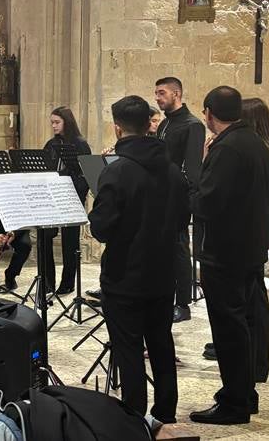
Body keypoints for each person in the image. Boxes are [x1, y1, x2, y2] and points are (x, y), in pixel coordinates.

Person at [88, 96, 186, 423]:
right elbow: (182, 218)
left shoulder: (117, 172)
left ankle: (133, 417)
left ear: (117, 128)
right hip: (162, 272)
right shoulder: (172, 170)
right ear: (149, 125)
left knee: (128, 349)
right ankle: (166, 412)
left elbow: (102, 228)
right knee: (161, 343)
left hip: (125, 276)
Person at [188, 86, 269, 425]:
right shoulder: (256, 143)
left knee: (229, 329)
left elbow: (207, 203)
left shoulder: (227, 149)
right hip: (248, 249)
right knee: (242, 325)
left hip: (225, 253)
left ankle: (235, 403)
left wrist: (194, 183)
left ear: (210, 113)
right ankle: (244, 394)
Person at [154, 76, 206, 323]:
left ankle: (183, 303)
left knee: (178, 249)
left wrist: (179, 193)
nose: (157, 97)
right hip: (160, 195)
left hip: (178, 197)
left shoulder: (192, 124)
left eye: (162, 93)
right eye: (156, 93)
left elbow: (192, 168)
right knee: (163, 249)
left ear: (176, 93)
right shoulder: (165, 124)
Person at [42, 106, 91, 294]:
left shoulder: (80, 144)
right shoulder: (51, 144)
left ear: (66, 122)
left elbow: (85, 174)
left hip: (71, 198)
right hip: (52, 198)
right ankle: (47, 282)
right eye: (52, 122)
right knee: (45, 236)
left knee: (70, 243)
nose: (53, 126)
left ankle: (67, 283)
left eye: (57, 122)